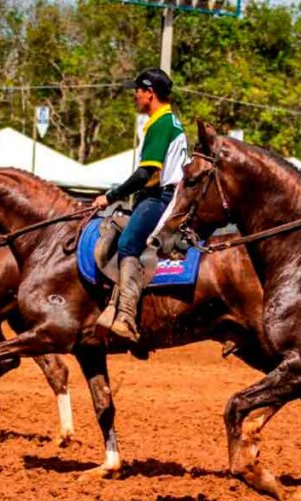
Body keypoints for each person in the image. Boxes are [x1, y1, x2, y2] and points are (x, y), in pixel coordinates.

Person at [92, 68, 188, 342]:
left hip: (162, 197)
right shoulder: (169, 122)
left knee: (127, 244)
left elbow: (148, 174)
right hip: (162, 195)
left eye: (138, 90)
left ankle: (125, 316)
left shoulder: (161, 123)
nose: (135, 95)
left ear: (150, 93)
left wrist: (110, 196)